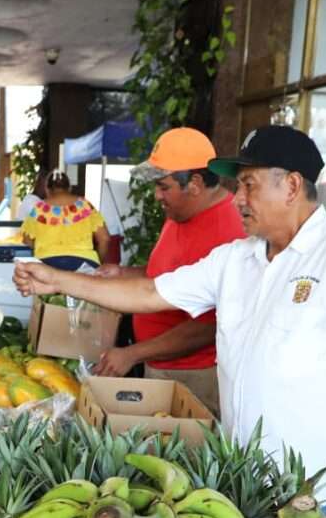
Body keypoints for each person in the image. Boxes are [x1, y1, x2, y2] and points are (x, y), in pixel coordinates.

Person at [14, 125, 326, 518]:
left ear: (290, 186)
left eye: (248, 185)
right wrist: (57, 279)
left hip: (317, 496)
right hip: (244, 486)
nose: (238, 199)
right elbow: (150, 292)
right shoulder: (236, 259)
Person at [95, 128, 245, 416]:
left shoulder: (230, 232)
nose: (157, 195)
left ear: (195, 183)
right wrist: (124, 273)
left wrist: (132, 354)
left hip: (194, 377)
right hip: (159, 365)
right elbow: (166, 275)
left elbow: (207, 327)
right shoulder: (180, 212)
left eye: (164, 187)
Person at [21, 169, 111, 269]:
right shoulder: (86, 206)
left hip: (46, 266)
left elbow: (27, 243)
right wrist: (97, 264)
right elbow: (105, 239)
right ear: (69, 188)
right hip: (84, 265)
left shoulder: (38, 210)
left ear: (47, 189)